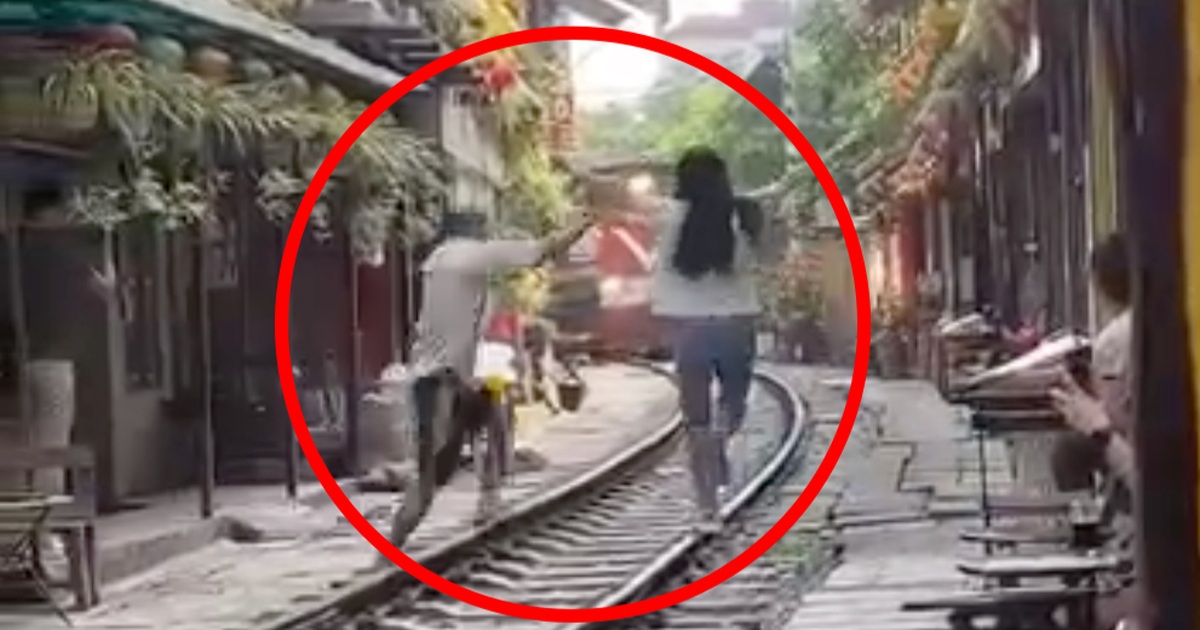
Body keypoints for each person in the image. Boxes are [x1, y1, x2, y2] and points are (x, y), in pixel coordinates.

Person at [388, 209, 597, 551]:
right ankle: (489, 494)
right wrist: (584, 223)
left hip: (442, 380)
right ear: (473, 234)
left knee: (442, 465)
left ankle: (394, 546)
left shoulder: (436, 262)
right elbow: (540, 250)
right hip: (443, 383)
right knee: (480, 428)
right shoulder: (470, 255)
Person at [649, 147, 783, 532]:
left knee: (695, 419)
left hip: (687, 328)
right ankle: (720, 440)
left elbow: (620, 204)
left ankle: (707, 508)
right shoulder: (744, 214)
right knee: (734, 406)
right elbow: (770, 256)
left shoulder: (667, 215)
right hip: (735, 324)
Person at [1048, 232, 1139, 629]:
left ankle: (1084, 542)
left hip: (1139, 489)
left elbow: (1115, 418)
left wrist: (1093, 419)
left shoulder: (1115, 339)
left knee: (1068, 450)